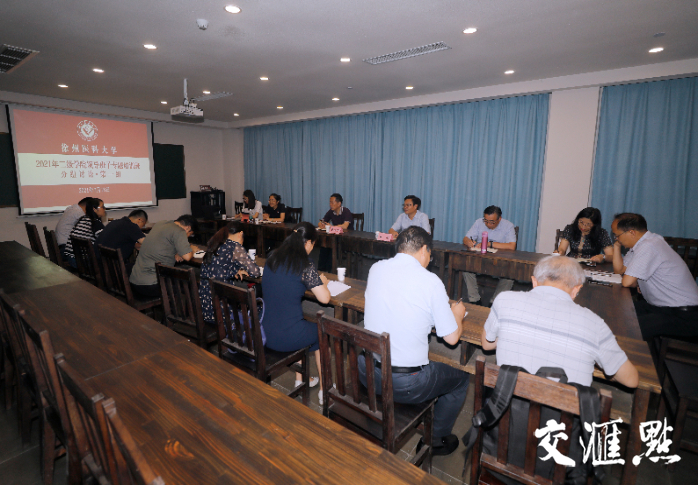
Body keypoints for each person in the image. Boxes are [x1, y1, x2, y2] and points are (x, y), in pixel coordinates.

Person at [360, 226, 468, 456]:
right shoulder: (430, 281)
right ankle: (436, 439)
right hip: (405, 384)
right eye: (430, 255)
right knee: (461, 379)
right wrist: (457, 315)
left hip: (366, 371)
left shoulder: (376, 268)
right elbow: (451, 338)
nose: (429, 260)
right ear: (424, 249)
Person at [483, 255, 639, 388]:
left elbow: (487, 344)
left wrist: (511, 331)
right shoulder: (594, 324)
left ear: (534, 282)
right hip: (563, 413)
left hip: (506, 405)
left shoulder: (505, 300)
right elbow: (631, 380)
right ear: (576, 289)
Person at [262, 222, 331, 399]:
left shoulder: (272, 257)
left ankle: (300, 381)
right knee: (321, 332)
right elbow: (324, 298)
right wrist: (322, 282)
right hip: (287, 338)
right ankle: (325, 390)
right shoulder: (305, 264)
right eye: (313, 244)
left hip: (265, 333)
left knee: (298, 322)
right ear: (307, 243)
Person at [611, 213, 698, 341]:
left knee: (625, 328)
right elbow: (619, 270)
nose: (616, 239)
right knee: (615, 310)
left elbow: (627, 282)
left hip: (684, 315)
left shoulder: (649, 245)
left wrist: (635, 282)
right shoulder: (641, 244)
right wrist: (617, 246)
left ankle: (637, 354)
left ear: (632, 233)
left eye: (617, 235)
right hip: (660, 307)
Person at [199, 221, 262, 323]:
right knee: (257, 296)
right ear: (240, 233)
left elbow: (218, 267)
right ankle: (255, 329)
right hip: (223, 312)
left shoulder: (216, 243)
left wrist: (234, 270)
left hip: (207, 307)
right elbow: (255, 272)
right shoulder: (234, 246)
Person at [129, 215, 197, 297]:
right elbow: (187, 257)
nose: (188, 237)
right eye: (190, 234)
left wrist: (178, 252)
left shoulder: (161, 224)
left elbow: (164, 244)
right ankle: (178, 306)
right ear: (188, 228)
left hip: (134, 282)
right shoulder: (180, 231)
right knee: (191, 285)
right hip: (151, 285)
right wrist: (192, 248)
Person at [461, 206, 517, 305]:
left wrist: (489, 244)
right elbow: (466, 238)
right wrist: (468, 242)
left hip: (499, 261)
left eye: (492, 222)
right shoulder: (479, 222)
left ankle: (495, 301)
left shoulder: (508, 226)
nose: (488, 224)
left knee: (510, 276)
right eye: (486, 221)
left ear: (499, 219)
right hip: (480, 259)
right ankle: (474, 299)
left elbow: (512, 246)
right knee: (465, 267)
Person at [63, 198, 106, 268]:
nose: (105, 209)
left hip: (72, 258)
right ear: (94, 209)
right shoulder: (95, 223)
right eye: (102, 207)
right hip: (81, 261)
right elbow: (105, 241)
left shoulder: (83, 219)